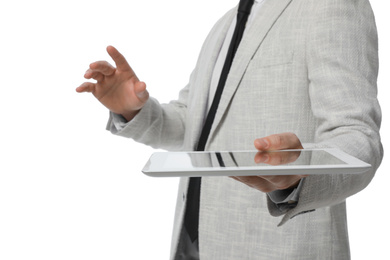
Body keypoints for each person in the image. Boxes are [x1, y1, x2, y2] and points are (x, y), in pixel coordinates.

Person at [76, 0, 383, 259]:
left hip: (278, 248)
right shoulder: (225, 24)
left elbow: (357, 136)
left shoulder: (332, 4)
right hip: (193, 244)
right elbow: (191, 127)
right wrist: (133, 110)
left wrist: (298, 177)